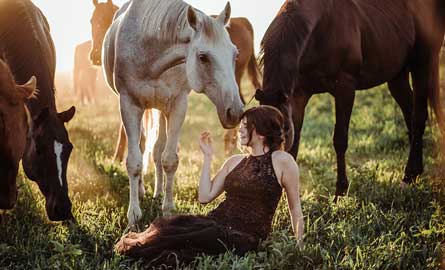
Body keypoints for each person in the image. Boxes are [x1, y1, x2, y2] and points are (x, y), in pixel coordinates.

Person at [115, 105, 304, 266]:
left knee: (188, 241)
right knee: (177, 229)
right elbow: (205, 197)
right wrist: (207, 157)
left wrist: (299, 245)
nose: (240, 130)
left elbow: (295, 207)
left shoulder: (282, 161)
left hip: (245, 235)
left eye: (246, 126)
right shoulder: (235, 161)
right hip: (216, 221)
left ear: (261, 131)